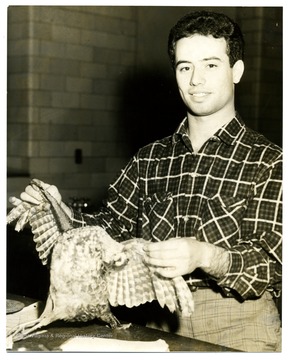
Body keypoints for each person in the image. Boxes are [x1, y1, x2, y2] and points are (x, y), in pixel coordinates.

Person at [17, 10, 282, 352]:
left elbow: (271, 265)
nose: (195, 80)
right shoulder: (149, 159)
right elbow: (106, 230)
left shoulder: (269, 160)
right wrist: (55, 210)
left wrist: (205, 255)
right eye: (185, 67)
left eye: (211, 65)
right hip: (159, 318)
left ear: (237, 70)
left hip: (238, 323)